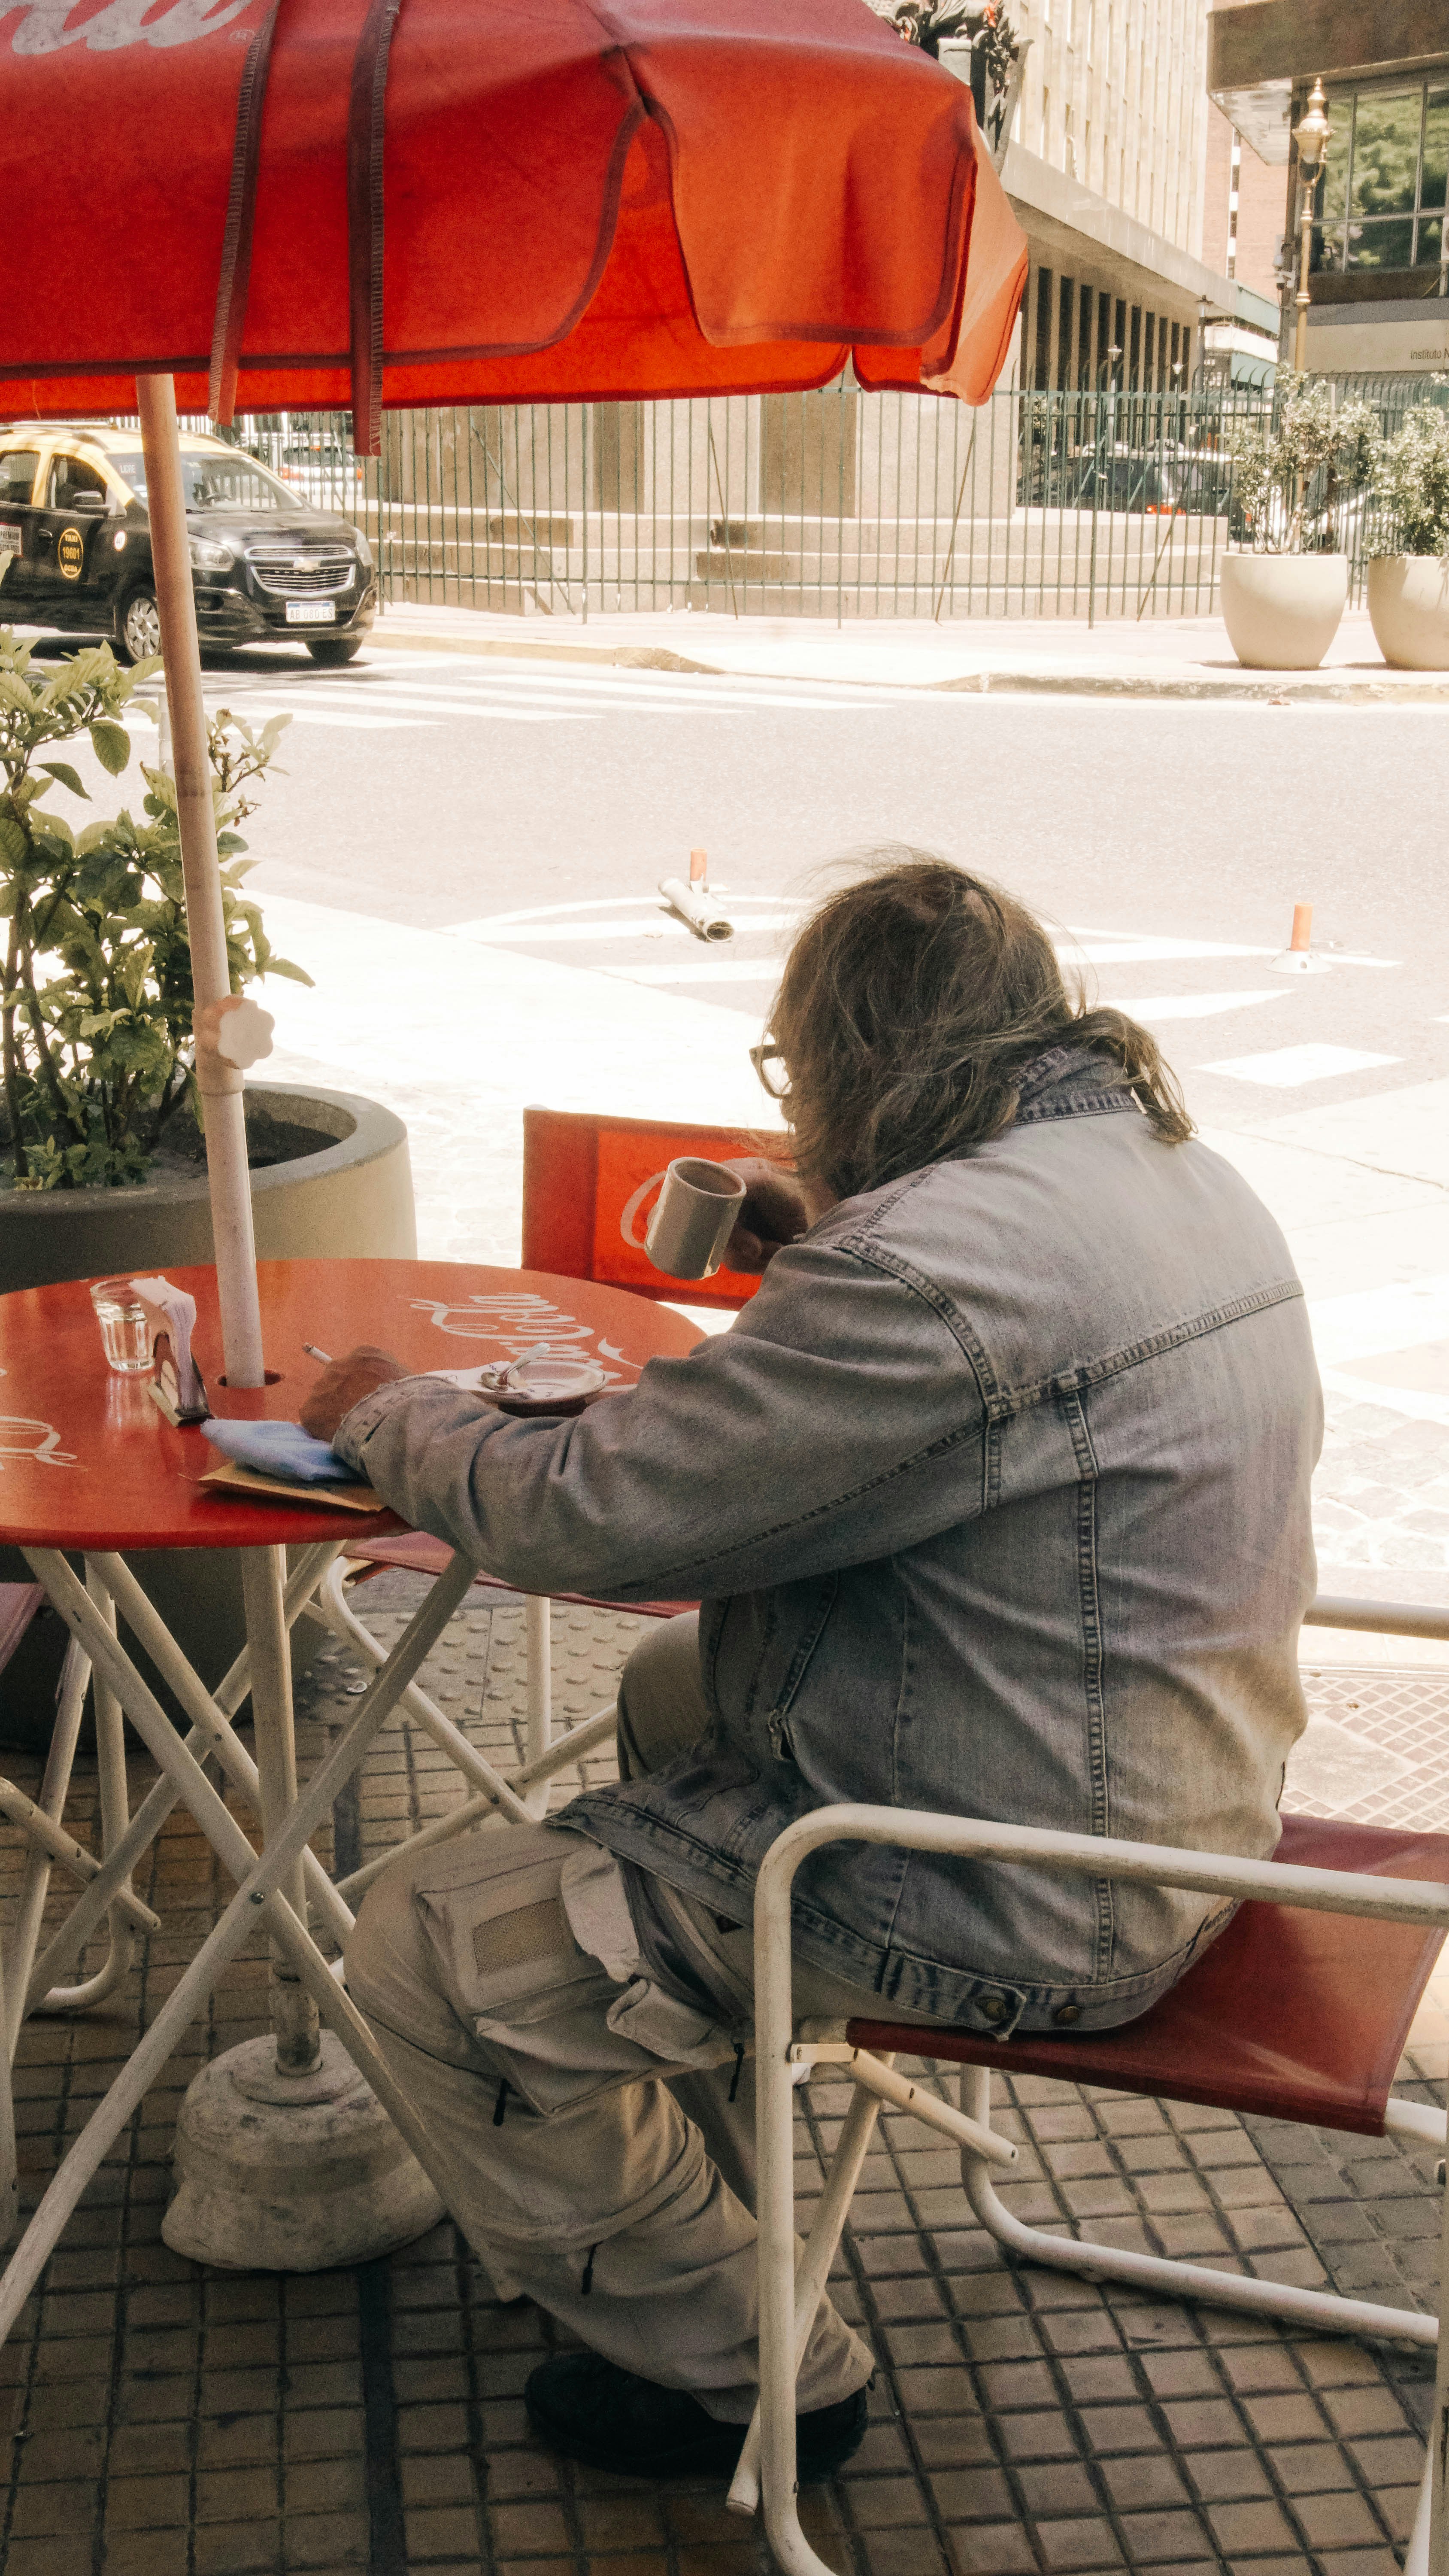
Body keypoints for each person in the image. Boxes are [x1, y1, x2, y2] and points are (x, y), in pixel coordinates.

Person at [301, 853, 1321, 2482]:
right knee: (665, 1700)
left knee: (423, 1943)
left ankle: (769, 2371)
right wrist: (827, 1235)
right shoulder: (1167, 1166)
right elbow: (972, 1410)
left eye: (797, 1072)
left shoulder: (926, 1267)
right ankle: (670, 2106)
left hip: (1032, 1902)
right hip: (1185, 1802)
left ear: (854, 1061)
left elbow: (591, 1517)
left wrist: (377, 1407)